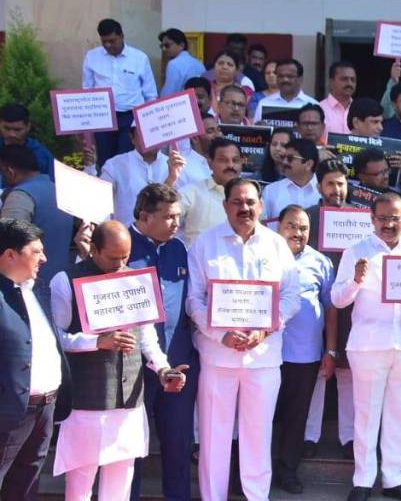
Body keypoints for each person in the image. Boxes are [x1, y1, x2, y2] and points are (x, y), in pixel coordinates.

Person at [51, 221, 188, 501]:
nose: (120, 264)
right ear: (94, 250)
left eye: (125, 257)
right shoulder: (65, 280)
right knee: (80, 485)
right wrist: (96, 342)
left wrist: (162, 369)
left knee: (121, 486)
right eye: (113, 258)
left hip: (129, 401)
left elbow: (147, 337)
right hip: (86, 402)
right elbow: (58, 338)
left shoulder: (138, 279)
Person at [186, 178, 300, 501]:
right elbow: (193, 300)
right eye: (237, 202)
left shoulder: (276, 245)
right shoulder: (205, 244)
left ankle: (256, 496)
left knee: (257, 435)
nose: (244, 208)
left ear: (261, 206)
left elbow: (292, 297)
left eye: (250, 202)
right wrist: (220, 335)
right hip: (217, 356)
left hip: (263, 357)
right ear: (225, 206)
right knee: (213, 436)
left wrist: (268, 327)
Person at [331, 192, 401, 501]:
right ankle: (363, 480)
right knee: (366, 413)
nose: (389, 224)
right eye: (383, 218)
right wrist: (356, 281)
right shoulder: (356, 251)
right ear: (372, 219)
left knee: (398, 414)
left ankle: (394, 478)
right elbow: (337, 299)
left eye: (395, 218)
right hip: (368, 345)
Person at [124, 184, 199, 501]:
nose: (176, 224)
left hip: (178, 360)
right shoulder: (121, 247)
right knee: (130, 445)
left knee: (178, 441)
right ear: (144, 216)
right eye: (168, 217)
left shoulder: (180, 249)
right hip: (133, 365)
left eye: (178, 217)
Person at [0, 219, 68, 501]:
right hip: (10, 411)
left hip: (45, 409)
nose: (44, 258)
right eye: (36, 251)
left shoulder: (37, 289)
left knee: (26, 486)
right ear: (10, 255)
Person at [271, 206, 334, 495]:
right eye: (292, 225)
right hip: (264, 352)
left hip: (304, 354)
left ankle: (287, 471)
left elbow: (330, 308)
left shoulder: (320, 262)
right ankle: (254, 471)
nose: (298, 232)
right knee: (262, 416)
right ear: (278, 226)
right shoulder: (265, 254)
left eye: (304, 227)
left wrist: (330, 351)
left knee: (296, 417)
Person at [302, 159, 355, 462]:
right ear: (319, 186)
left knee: (347, 374)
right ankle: (310, 436)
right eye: (331, 184)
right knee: (318, 372)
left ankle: (349, 437)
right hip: (316, 305)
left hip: (350, 304)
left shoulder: (360, 218)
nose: (337, 190)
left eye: (341, 184)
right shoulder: (308, 218)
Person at [0, 144, 73, 310]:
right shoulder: (59, 190)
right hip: (61, 282)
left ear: (10, 171)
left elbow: (8, 240)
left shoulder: (20, 196)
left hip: (31, 288)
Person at [83, 18, 157, 169]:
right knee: (105, 159)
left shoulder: (139, 58)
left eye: (112, 41)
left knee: (127, 158)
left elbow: (150, 93)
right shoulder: (92, 57)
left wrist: (148, 121)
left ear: (122, 36)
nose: (108, 45)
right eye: (104, 42)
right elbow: (87, 91)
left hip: (130, 117)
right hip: (102, 116)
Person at [92, 127, 180, 226]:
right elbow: (99, 200)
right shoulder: (115, 164)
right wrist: (90, 167)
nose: (150, 138)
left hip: (164, 237)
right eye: (144, 133)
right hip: (125, 237)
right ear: (132, 138)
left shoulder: (174, 165)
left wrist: (172, 178)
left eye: (154, 132)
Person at [176, 138, 242, 246]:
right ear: (210, 163)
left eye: (235, 160)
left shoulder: (251, 197)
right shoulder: (192, 193)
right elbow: (163, 215)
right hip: (199, 261)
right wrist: (171, 178)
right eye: (223, 160)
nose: (231, 165)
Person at [262, 138, 320, 223]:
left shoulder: (325, 190)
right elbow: (262, 226)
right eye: (283, 157)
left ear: (308, 164)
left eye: (290, 158)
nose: (284, 162)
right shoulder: (270, 191)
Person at [0, 103, 55, 184]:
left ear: (28, 127)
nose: (11, 134)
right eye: (7, 128)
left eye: (17, 130)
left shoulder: (41, 155)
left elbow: (51, 185)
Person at [254, 59, 317, 124]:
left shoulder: (313, 105)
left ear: (300, 79)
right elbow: (258, 131)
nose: (285, 79)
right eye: (281, 76)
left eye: (290, 76)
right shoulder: (264, 103)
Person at [159, 28, 204, 96]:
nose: (164, 49)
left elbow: (168, 94)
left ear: (181, 45)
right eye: (162, 46)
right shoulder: (199, 64)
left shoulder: (173, 64)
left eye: (167, 45)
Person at [321, 60, 357, 136]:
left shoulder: (360, 110)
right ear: (331, 82)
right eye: (344, 79)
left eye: (353, 80)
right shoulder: (320, 109)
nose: (349, 83)